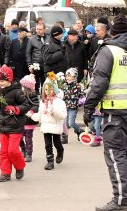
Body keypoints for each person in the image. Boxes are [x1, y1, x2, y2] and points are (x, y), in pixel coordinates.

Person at [83, 14, 127, 211]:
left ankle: (121, 200)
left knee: (116, 154)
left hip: (116, 112)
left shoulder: (109, 51)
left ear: (112, 31)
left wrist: (88, 108)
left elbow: (99, 83)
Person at [0, 66, 29, 182]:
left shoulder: (17, 92)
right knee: (4, 151)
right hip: (3, 126)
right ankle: (5, 173)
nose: (0, 83)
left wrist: (15, 109)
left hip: (15, 125)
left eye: (3, 81)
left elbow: (26, 105)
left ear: (9, 80)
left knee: (12, 150)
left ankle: (19, 166)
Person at [32, 81, 67, 170]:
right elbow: (40, 113)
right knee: (48, 145)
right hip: (46, 126)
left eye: (50, 89)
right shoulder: (43, 101)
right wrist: (33, 116)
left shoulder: (59, 102)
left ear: (54, 90)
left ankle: (60, 151)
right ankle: (50, 161)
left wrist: (53, 111)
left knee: (57, 143)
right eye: (46, 89)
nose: (48, 91)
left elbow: (63, 115)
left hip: (55, 125)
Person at [19, 74, 39, 162]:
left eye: (23, 86)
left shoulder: (33, 95)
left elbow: (36, 105)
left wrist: (31, 111)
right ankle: (23, 149)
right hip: (20, 121)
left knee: (28, 138)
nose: (21, 88)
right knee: (19, 137)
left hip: (29, 121)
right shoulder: (19, 95)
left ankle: (28, 154)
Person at [62, 68, 85, 141]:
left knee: (71, 123)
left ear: (74, 77)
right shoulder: (64, 85)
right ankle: (64, 137)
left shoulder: (78, 86)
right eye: (66, 75)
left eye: (69, 75)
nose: (67, 77)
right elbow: (61, 94)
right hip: (65, 106)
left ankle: (79, 131)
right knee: (65, 123)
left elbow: (82, 95)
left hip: (73, 107)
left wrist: (81, 100)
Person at [26, 23, 49, 93]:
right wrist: (29, 64)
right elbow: (28, 53)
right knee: (35, 85)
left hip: (46, 65)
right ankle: (35, 100)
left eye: (40, 29)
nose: (38, 31)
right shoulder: (32, 39)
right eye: (37, 29)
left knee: (45, 84)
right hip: (36, 65)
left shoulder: (49, 38)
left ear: (44, 29)